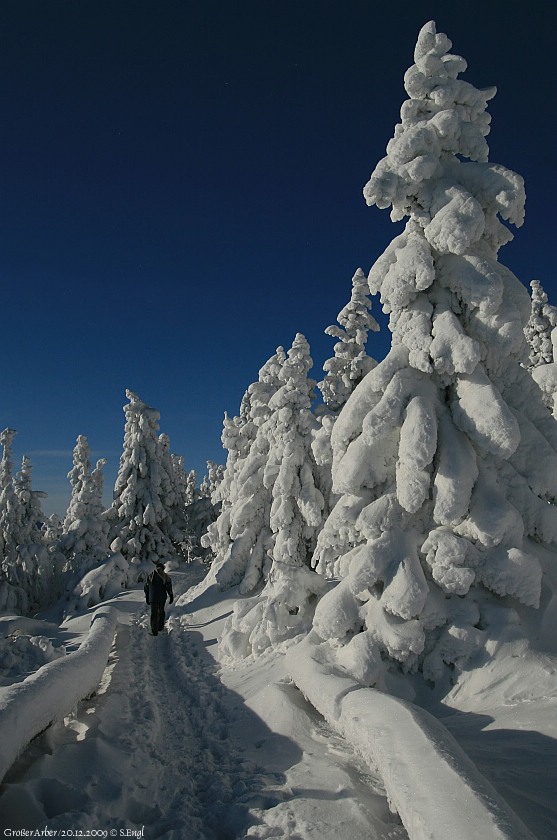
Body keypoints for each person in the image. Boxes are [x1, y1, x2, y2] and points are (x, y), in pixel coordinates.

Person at [144, 562, 173, 635]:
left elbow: (146, 588)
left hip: (152, 598)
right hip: (161, 597)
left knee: (154, 613)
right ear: (163, 568)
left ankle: (154, 630)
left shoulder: (150, 576)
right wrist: (171, 595)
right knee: (161, 611)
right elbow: (168, 587)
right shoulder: (165, 576)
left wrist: (147, 597)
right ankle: (160, 627)